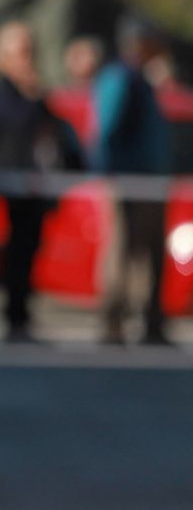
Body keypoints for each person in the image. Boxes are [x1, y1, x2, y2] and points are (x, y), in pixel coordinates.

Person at [0, 22, 83, 344]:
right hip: (14, 184)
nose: (27, 61)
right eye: (20, 53)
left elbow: (56, 132)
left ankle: (22, 314)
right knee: (17, 250)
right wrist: (31, 93)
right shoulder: (2, 93)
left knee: (30, 249)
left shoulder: (35, 96)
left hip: (36, 184)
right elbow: (15, 124)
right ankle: (13, 317)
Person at [92, 17, 172, 346]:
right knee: (123, 251)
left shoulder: (143, 80)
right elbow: (106, 129)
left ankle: (151, 321)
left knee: (151, 253)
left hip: (151, 178)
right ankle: (113, 321)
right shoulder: (121, 78)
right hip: (130, 179)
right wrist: (110, 172)